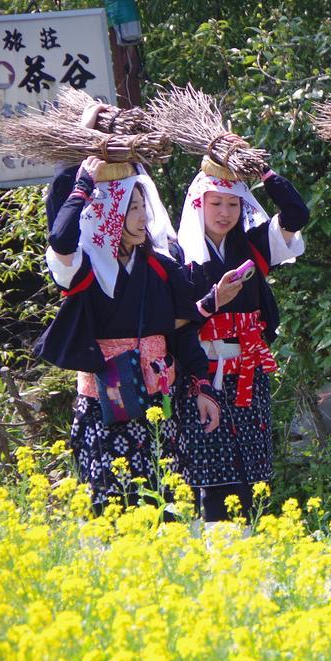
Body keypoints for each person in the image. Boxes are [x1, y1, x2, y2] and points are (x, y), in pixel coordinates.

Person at [35, 157, 217, 511]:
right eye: (130, 208)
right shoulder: (85, 271)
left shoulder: (162, 267)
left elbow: (182, 332)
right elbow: (60, 237)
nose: (142, 217)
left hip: (158, 403)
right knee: (110, 506)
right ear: (109, 212)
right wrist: (83, 186)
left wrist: (202, 386)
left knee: (164, 503)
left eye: (141, 207)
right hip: (105, 402)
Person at [172, 153, 308, 522]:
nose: (224, 213)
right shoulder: (177, 255)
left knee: (251, 471)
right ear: (198, 203)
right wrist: (213, 301)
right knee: (211, 472)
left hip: (248, 371)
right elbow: (174, 324)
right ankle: (216, 554)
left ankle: (247, 555)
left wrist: (264, 170)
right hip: (201, 373)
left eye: (234, 203)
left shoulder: (251, 246)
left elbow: (296, 214)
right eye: (215, 203)